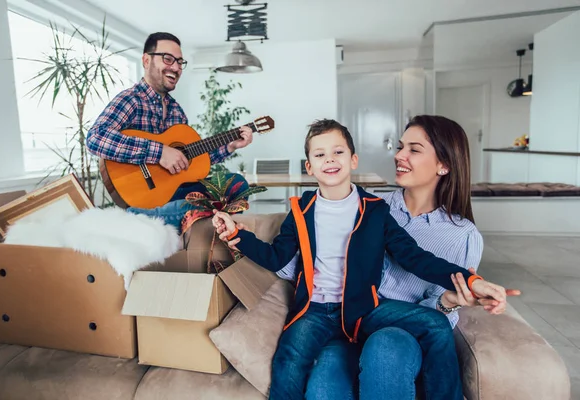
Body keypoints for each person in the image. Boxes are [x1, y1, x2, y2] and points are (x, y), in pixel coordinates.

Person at [212, 118, 513, 400]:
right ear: (309, 167)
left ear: (353, 160)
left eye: (338, 152)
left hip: (362, 308)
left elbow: (416, 258)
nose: (329, 159)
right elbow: (278, 256)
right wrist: (239, 234)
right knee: (289, 360)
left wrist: (472, 281)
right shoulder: (302, 210)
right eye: (320, 155)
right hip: (314, 311)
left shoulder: (375, 210)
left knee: (435, 325)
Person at [302, 115, 521, 400]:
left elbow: (437, 314)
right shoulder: (368, 206)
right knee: (325, 384)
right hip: (349, 322)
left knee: (385, 346)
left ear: (444, 165)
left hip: (400, 331)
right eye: (401, 146)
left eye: (414, 150)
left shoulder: (462, 236)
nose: (399, 156)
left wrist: (448, 302)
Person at [86, 32, 252, 227]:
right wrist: (159, 153)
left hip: (176, 195)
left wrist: (229, 146)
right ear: (146, 60)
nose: (176, 67)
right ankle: (146, 217)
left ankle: (152, 218)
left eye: (180, 62)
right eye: (168, 59)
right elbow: (96, 137)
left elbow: (192, 162)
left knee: (237, 184)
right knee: (196, 205)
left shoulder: (177, 112)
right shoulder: (131, 100)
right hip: (144, 196)